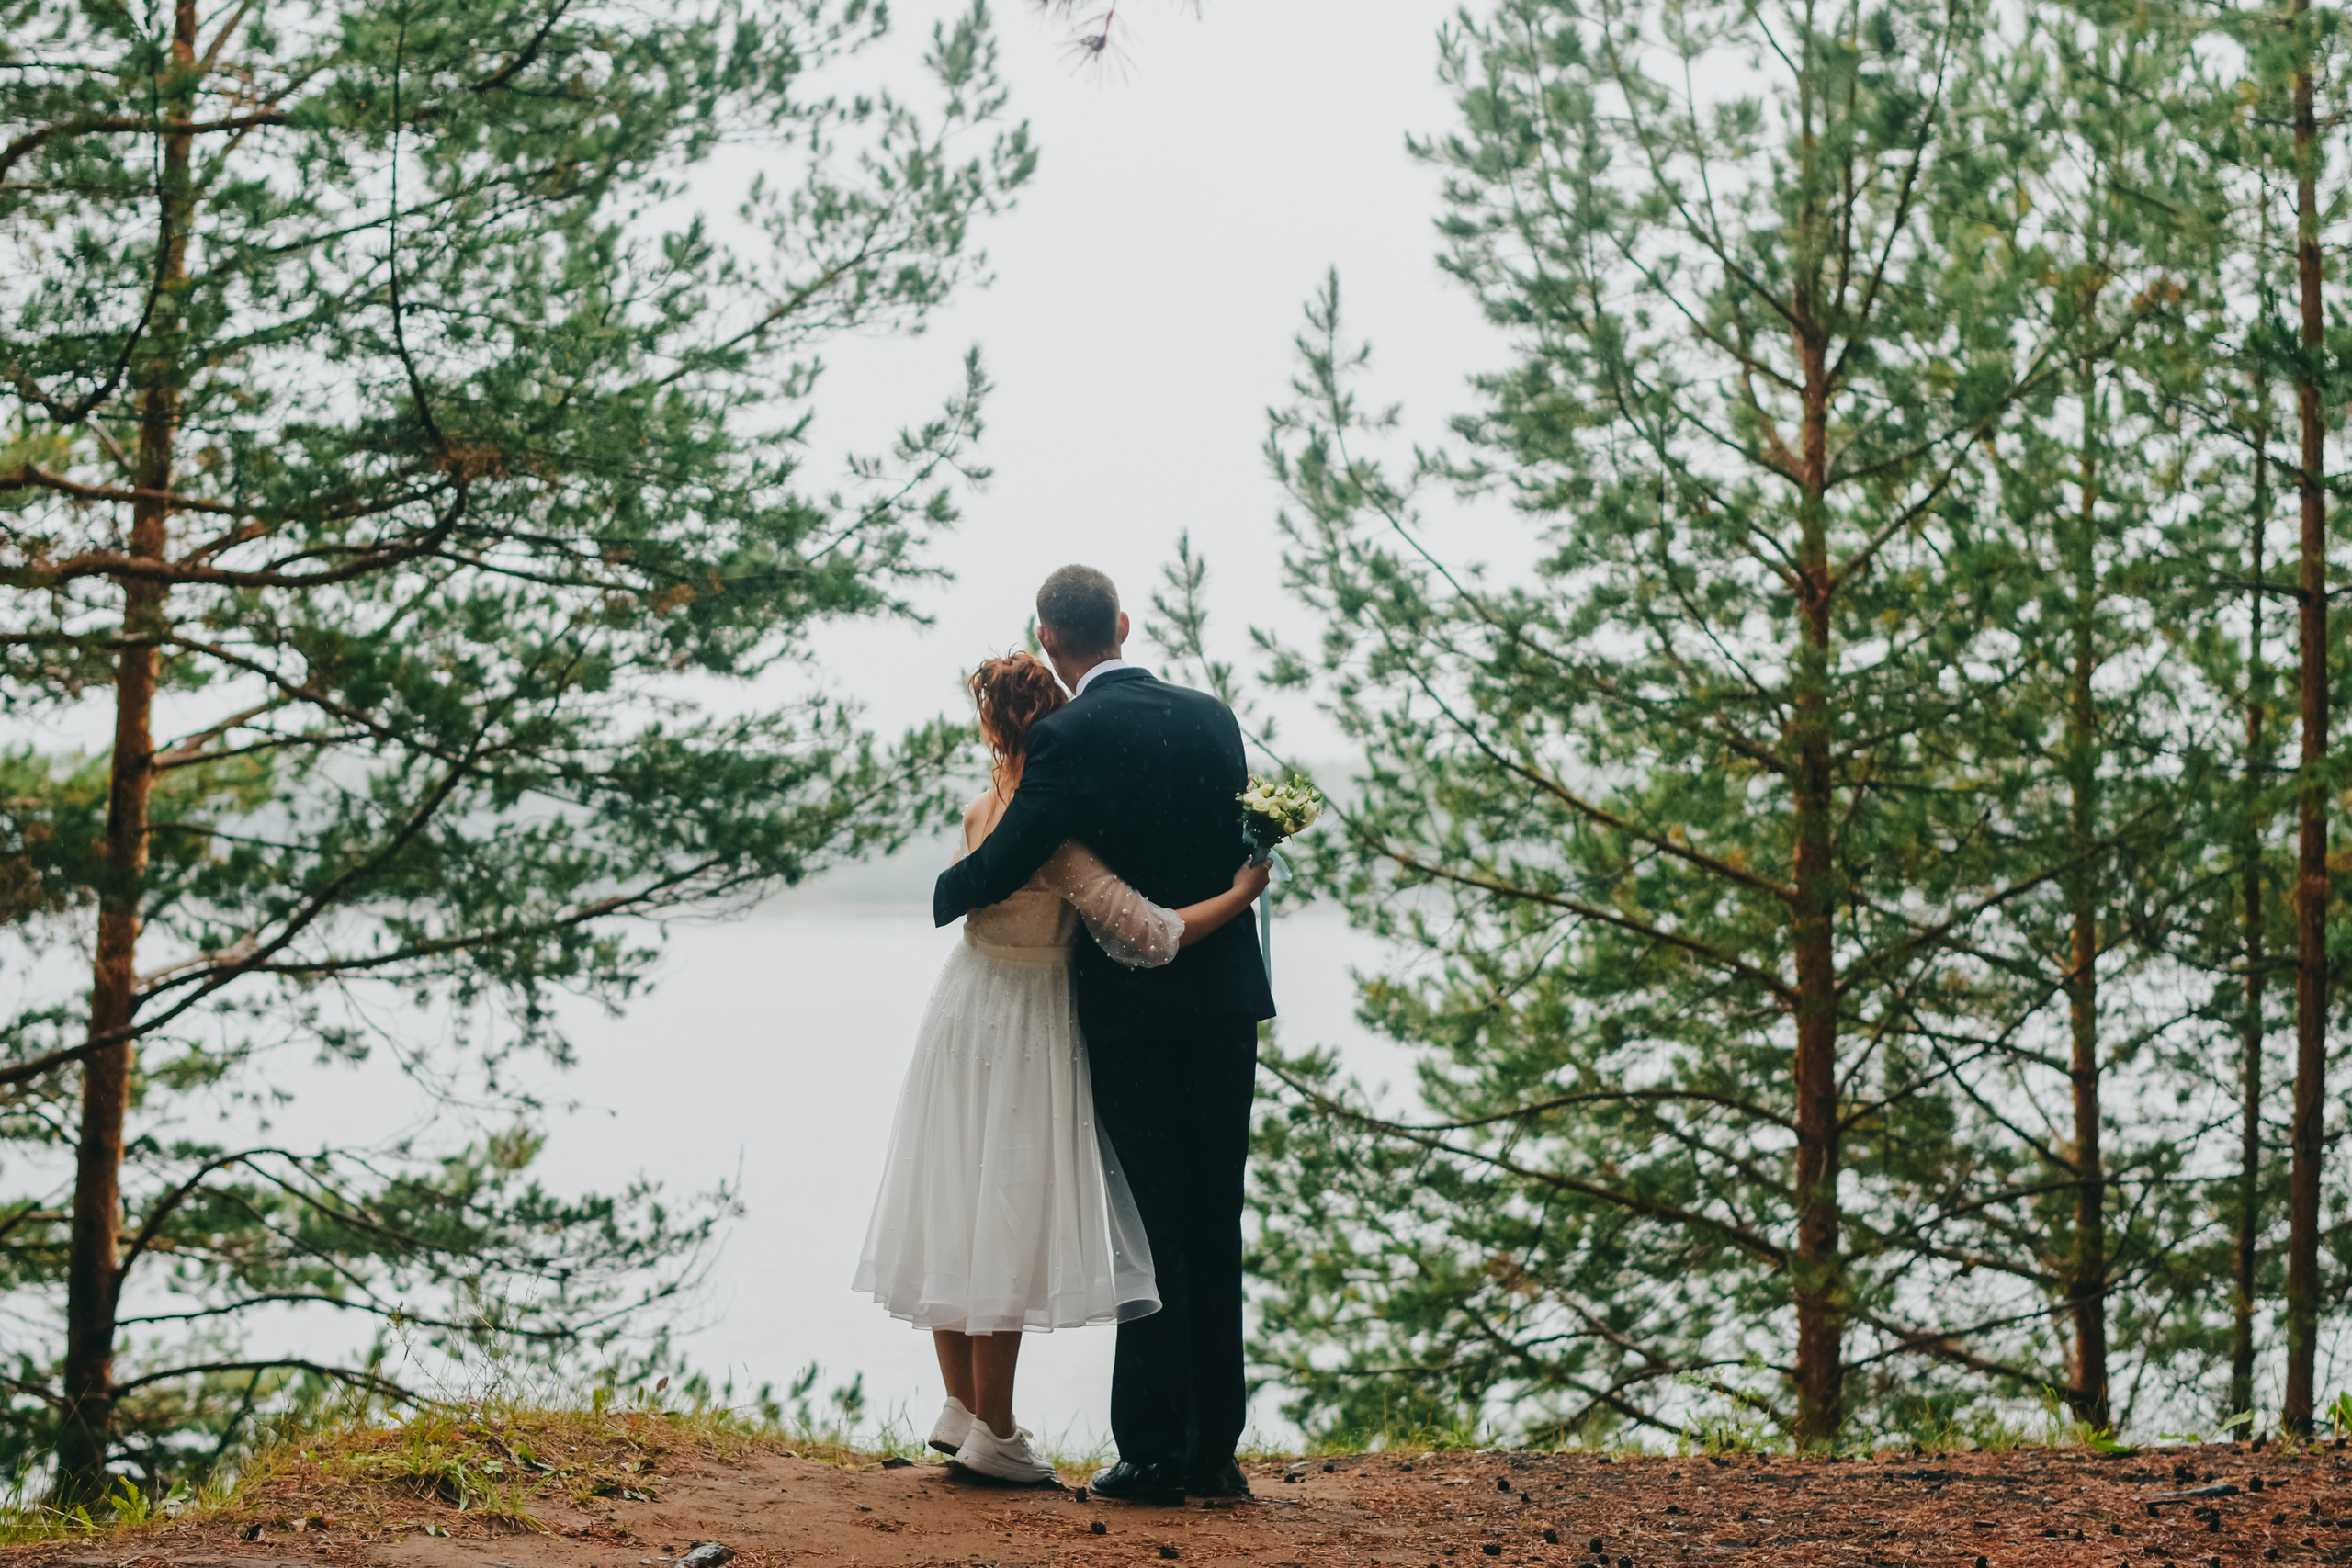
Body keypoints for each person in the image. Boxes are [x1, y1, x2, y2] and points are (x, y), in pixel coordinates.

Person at [854, 648, 1271, 1485]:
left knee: (952, 1198)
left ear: (988, 725)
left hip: (960, 1009)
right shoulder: (1052, 834)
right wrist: (1242, 893)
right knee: (1003, 1207)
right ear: (1047, 724)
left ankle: (964, 1407)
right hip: (1026, 1020)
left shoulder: (981, 813)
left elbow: (966, 893)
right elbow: (1146, 930)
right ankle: (996, 1428)